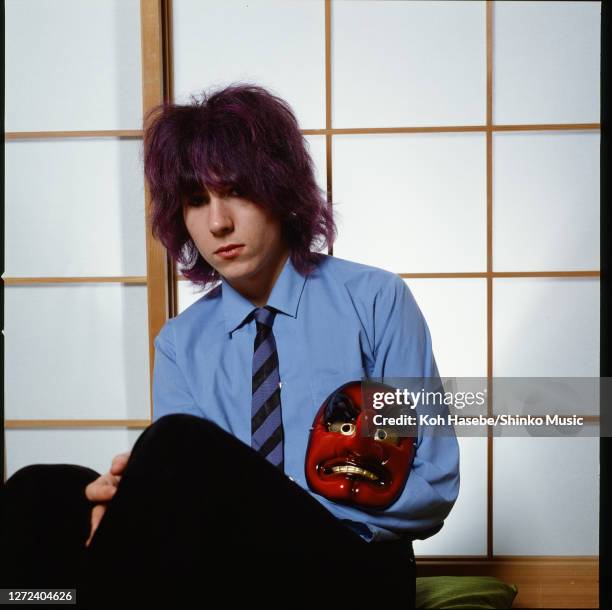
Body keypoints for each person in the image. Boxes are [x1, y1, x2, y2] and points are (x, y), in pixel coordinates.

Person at [0, 83, 460, 608]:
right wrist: (133, 502)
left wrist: (275, 507)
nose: (217, 222)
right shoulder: (181, 341)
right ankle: (51, 595)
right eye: (197, 201)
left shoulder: (375, 301)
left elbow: (433, 484)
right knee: (41, 491)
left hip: (350, 566)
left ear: (280, 188)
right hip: (236, 571)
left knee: (174, 445)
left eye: (236, 191)